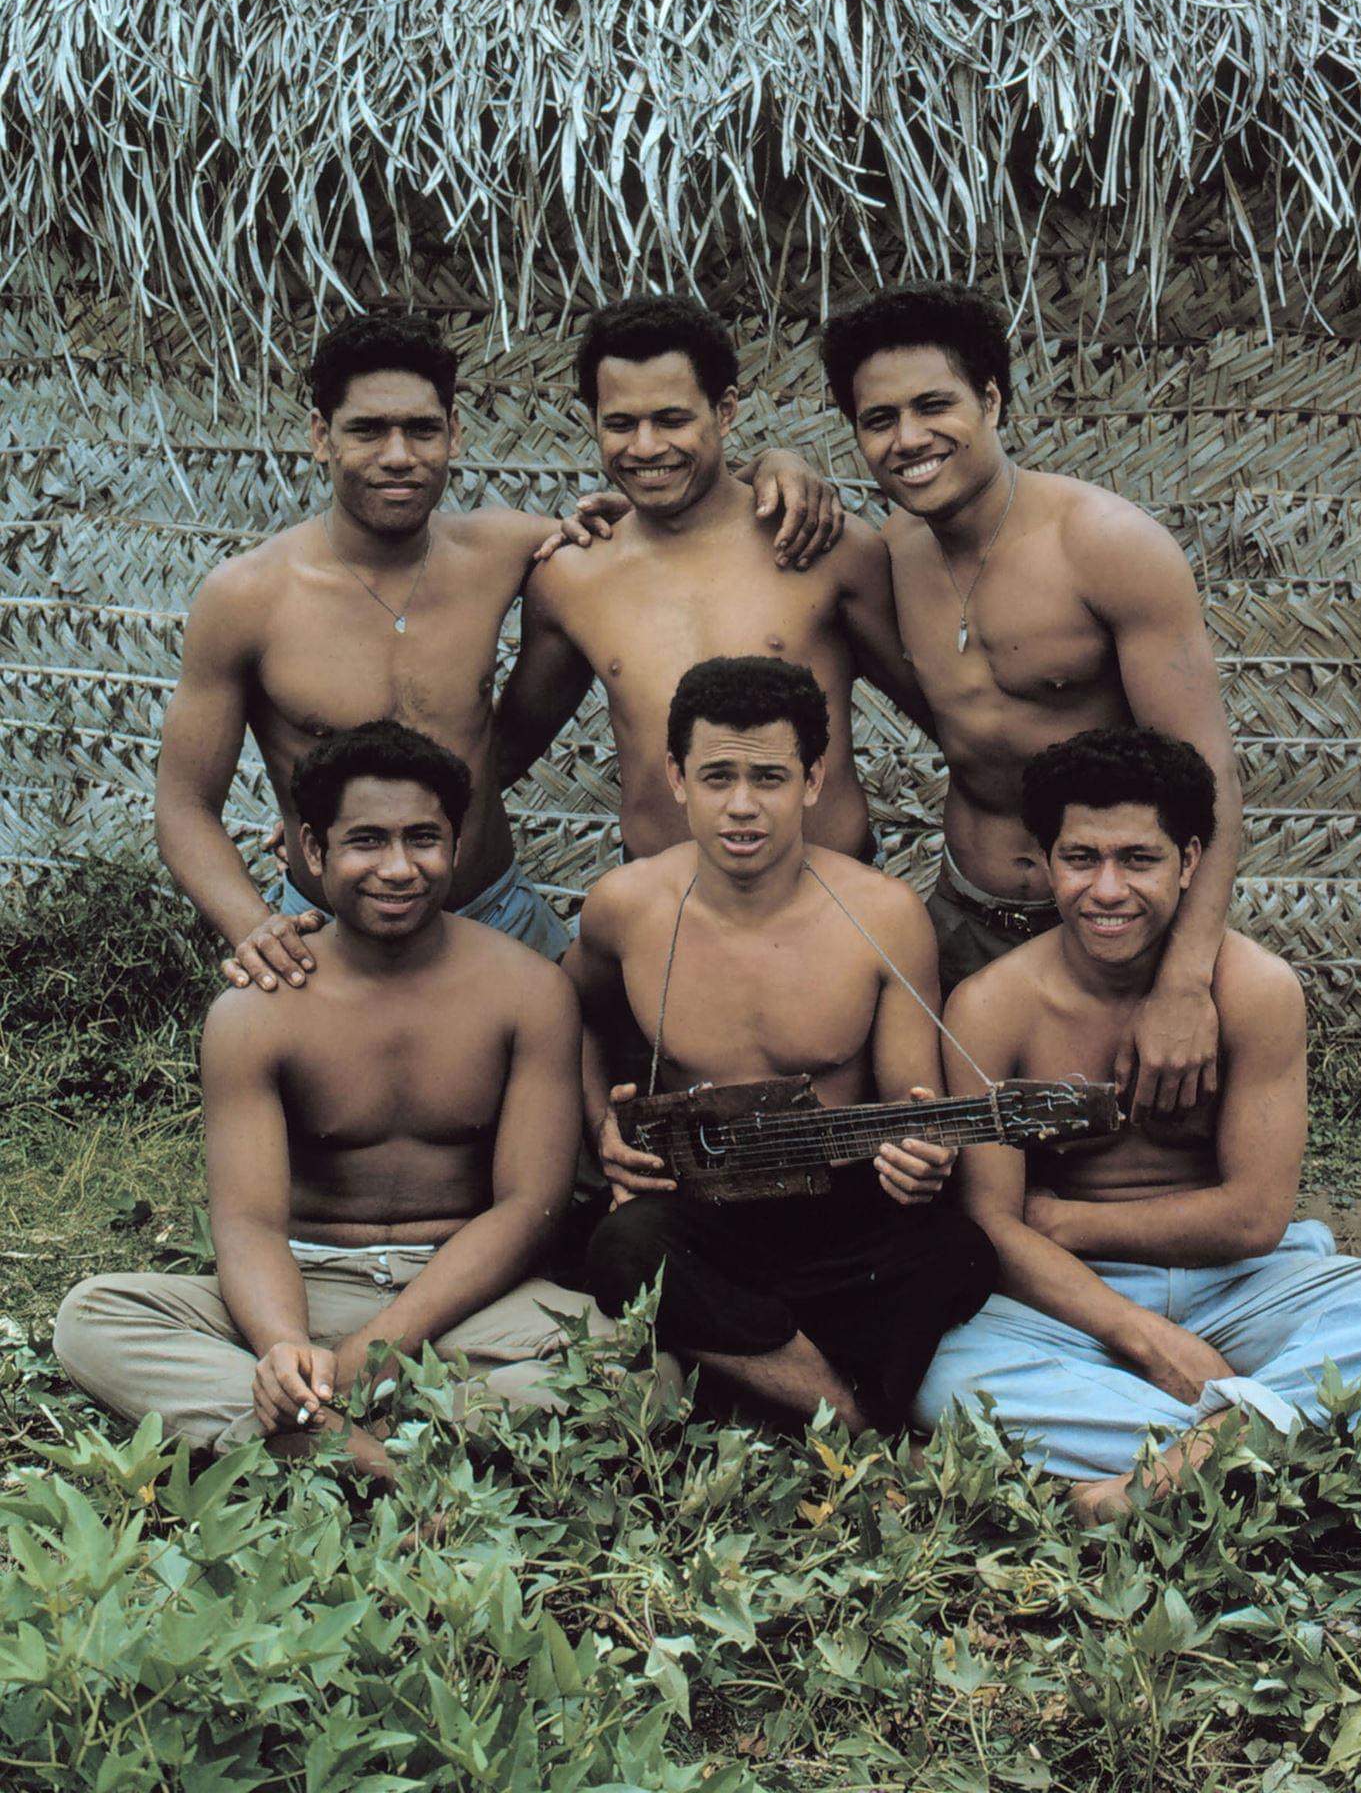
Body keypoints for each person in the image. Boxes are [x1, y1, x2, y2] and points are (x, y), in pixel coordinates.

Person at [155, 309, 837, 993]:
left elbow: (676, 504)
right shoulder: (246, 597)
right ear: (319, 437)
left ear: (453, 433)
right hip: (327, 933)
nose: (397, 456)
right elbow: (183, 806)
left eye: (421, 430)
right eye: (366, 430)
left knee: (572, 1083)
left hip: (496, 913)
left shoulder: (509, 549)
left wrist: (778, 463)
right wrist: (252, 925)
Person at [913, 728, 1361, 1522]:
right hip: (1081, 1304)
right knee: (943, 1375)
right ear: (1044, 863)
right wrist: (1147, 1339)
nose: (1106, 890)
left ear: (1187, 862)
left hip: (1245, 1287)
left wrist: (1063, 1220)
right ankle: (1262, 1446)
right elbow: (992, 1229)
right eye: (1080, 859)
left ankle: (1175, 1469)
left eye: (1137, 860)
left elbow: (1252, 1218)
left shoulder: (1255, 988)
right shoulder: (990, 1006)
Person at [56, 721, 602, 1479]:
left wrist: (380, 1350)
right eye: (367, 841)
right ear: (313, 850)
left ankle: (313, 1436)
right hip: (310, 1285)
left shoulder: (530, 991)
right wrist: (283, 1347)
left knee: (626, 1364)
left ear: (456, 843)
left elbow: (529, 1207)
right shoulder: (259, 1008)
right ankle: (368, 1442)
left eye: (423, 838)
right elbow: (247, 1219)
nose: (399, 868)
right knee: (92, 1317)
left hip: (461, 1295)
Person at [821, 285, 1242, 1119]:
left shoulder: (1103, 546)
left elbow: (1211, 780)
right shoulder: (890, 557)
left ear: (990, 399)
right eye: (878, 420)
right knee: (944, 1172)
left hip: (1108, 922)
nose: (907, 439)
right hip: (963, 913)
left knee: (1111, 1155)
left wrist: (1185, 983)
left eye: (933, 405)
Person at [566, 656, 998, 1433]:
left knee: (958, 1252)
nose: (740, 807)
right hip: (697, 1201)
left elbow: (913, 1104)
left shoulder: (883, 914)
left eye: (767, 778)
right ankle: (852, 1416)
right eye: (716, 776)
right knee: (621, 1247)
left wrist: (923, 1156)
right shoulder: (625, 908)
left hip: (840, 1209)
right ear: (675, 777)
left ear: (811, 779)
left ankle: (750, 1380)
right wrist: (602, 1123)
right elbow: (574, 1023)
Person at [497, 296, 935, 862]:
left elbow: (948, 710)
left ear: (725, 411)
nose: (646, 447)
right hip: (668, 911)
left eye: (673, 419)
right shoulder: (571, 577)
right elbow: (507, 749)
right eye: (621, 424)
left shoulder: (823, 546)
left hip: (830, 904)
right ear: (593, 423)